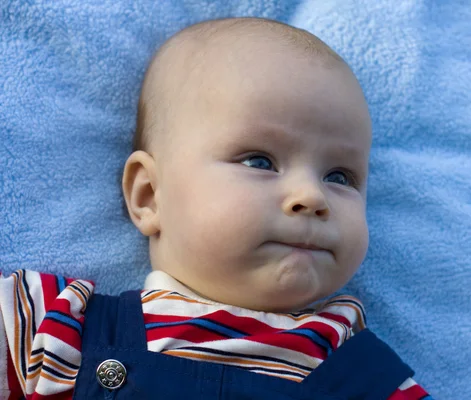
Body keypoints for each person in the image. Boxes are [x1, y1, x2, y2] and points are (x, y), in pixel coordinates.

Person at [0, 17, 434, 399]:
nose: (312, 197)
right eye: (259, 161)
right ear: (150, 196)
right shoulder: (61, 326)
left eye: (339, 177)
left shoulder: (362, 375)